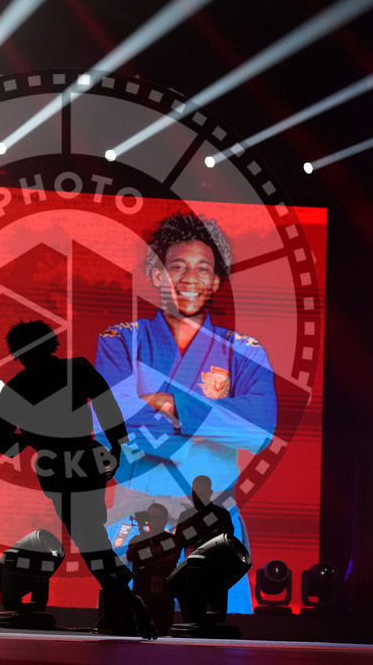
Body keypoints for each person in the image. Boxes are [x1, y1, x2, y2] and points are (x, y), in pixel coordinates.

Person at [95, 212, 277, 612]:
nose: (189, 277)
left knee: (224, 642)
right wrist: (213, 416)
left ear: (215, 281)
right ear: (158, 276)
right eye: (176, 266)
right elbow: (108, 419)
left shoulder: (244, 351)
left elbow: (258, 429)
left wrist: (169, 402)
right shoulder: (122, 341)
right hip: (136, 510)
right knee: (126, 638)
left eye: (203, 268)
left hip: (215, 513)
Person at [0, 320, 156, 639]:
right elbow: (109, 410)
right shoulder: (76, 369)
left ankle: (124, 596)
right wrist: (117, 448)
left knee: (89, 538)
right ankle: (118, 608)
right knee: (94, 535)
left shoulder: (17, 387)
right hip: (88, 458)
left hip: (58, 467)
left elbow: (0, 439)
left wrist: (30, 441)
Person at [126, 503, 180, 633]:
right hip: (142, 591)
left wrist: (153, 564)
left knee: (163, 628)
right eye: (151, 517)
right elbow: (130, 556)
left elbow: (172, 560)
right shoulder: (138, 539)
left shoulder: (170, 540)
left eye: (157, 517)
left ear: (165, 519)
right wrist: (141, 540)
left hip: (164, 593)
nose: (153, 520)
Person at [175, 475, 235, 556]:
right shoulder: (185, 516)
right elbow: (177, 542)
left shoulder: (221, 515)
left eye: (201, 493)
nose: (197, 497)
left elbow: (227, 540)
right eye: (195, 493)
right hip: (191, 564)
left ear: (210, 493)